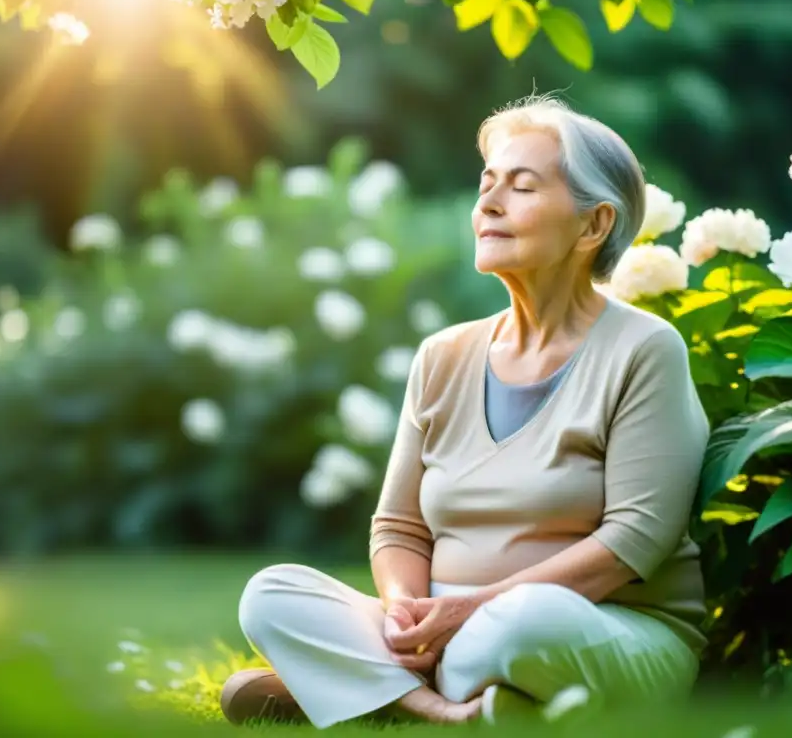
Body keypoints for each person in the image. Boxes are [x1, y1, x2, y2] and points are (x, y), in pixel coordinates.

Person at [219, 96, 710, 729]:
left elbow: (633, 540)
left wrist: (469, 612)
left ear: (593, 226)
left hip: (595, 628)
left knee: (517, 625)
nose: (488, 204)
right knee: (272, 595)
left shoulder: (644, 348)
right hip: (446, 625)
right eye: (487, 186)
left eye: (522, 187)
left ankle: (367, 690)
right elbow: (399, 527)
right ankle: (440, 708)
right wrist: (404, 614)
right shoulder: (442, 356)